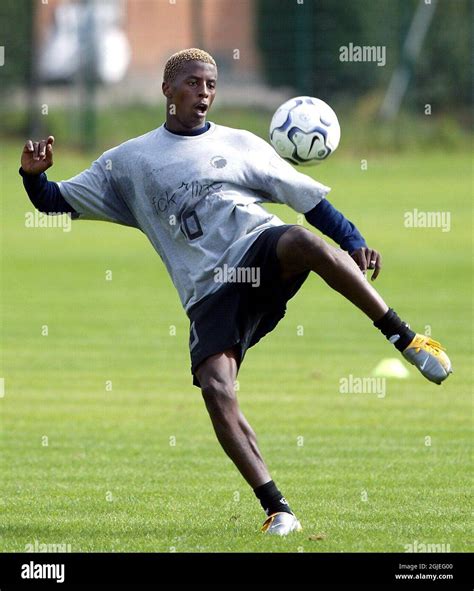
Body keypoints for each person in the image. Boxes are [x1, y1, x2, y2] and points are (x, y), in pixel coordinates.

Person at [19, 48, 452, 536]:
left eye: (210, 85)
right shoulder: (127, 162)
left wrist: (353, 241)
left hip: (257, 251)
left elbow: (305, 198)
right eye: (193, 83)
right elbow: (56, 202)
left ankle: (407, 339)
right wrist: (34, 177)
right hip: (209, 293)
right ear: (167, 89)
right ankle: (278, 509)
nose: (203, 93)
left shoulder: (242, 144)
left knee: (304, 240)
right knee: (216, 388)